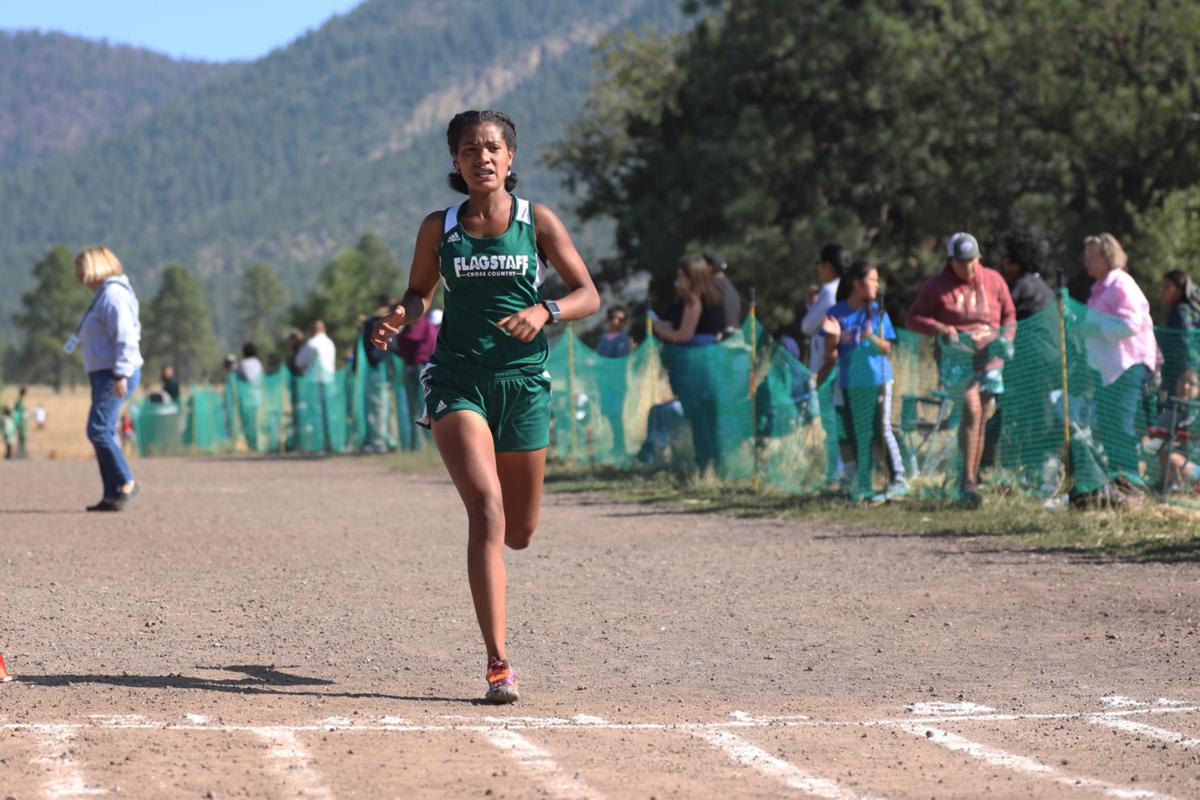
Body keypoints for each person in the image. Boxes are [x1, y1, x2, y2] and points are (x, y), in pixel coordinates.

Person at [370, 110, 599, 703]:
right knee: (487, 510)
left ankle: (500, 623)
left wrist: (545, 311)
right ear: (455, 161)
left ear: (511, 157)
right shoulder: (438, 227)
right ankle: (499, 662)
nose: (482, 158)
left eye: (492, 147)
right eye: (469, 149)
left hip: (523, 381)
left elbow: (587, 294)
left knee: (519, 532)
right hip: (457, 380)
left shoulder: (536, 221)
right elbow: (419, 293)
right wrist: (401, 315)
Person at [907, 232, 1015, 504]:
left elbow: (1009, 313)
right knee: (971, 409)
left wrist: (1006, 339)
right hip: (957, 359)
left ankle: (969, 479)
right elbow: (913, 318)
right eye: (961, 263)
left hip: (990, 358)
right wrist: (941, 328)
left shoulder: (993, 280)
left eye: (972, 261)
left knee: (982, 415)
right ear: (950, 261)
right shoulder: (936, 286)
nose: (968, 268)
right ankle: (967, 482)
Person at [817, 262, 906, 501]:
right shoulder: (837, 312)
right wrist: (833, 337)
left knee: (881, 428)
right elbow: (830, 353)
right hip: (850, 383)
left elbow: (888, 348)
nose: (876, 285)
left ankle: (898, 478)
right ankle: (860, 482)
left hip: (878, 379)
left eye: (877, 280)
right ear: (857, 284)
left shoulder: (877, 312)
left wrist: (872, 337)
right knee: (855, 432)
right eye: (872, 280)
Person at [1077, 233, 1157, 484]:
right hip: (1107, 369)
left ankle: (1130, 481)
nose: (1085, 262)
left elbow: (1131, 324)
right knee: (1109, 427)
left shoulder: (1121, 284)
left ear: (1106, 256)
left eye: (1091, 257)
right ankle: (1117, 480)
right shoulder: (1101, 287)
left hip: (1126, 366)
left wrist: (1095, 330)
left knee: (1121, 426)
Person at [73, 245, 143, 512]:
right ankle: (112, 493)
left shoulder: (113, 295)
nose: (80, 278)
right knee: (105, 431)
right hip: (103, 372)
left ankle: (125, 481)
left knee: (98, 429)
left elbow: (125, 338)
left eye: (82, 271)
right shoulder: (104, 295)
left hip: (115, 372)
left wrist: (121, 374)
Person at [985, 230, 1059, 481]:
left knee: (1023, 420)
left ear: (1016, 261)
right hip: (1046, 365)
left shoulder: (1022, 286)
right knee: (1032, 417)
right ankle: (1026, 471)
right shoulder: (1042, 287)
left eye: (1006, 257)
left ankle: (1027, 473)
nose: (1002, 263)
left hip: (1032, 367)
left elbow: (999, 319)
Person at [652, 255, 728, 473]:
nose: (679, 281)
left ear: (692, 278)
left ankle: (705, 465)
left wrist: (660, 329)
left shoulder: (694, 301)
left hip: (696, 367)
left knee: (699, 419)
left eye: (681, 277)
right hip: (714, 365)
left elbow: (684, 335)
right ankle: (718, 465)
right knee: (712, 417)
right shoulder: (715, 297)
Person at [801, 244, 849, 484]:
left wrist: (812, 306)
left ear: (827, 266)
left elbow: (807, 326)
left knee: (831, 421)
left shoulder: (830, 290)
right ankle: (841, 470)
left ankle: (836, 472)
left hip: (828, 365)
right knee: (841, 419)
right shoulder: (848, 289)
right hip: (846, 362)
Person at [393, 307, 439, 452]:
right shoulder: (404, 331)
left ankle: (431, 441)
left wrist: (419, 357)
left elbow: (430, 345)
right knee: (412, 408)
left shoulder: (426, 326)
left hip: (423, 369)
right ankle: (415, 444)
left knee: (427, 406)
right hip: (409, 369)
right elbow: (398, 346)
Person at [596, 305, 632, 459]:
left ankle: (620, 446)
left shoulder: (624, 339)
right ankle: (616, 444)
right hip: (604, 383)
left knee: (616, 414)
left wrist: (601, 364)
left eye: (621, 319)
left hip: (617, 384)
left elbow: (618, 360)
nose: (617, 322)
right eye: (613, 318)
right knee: (609, 414)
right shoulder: (603, 339)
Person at [1158, 270, 1200, 401]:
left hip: (1181, 375)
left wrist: (1189, 370)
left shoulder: (1181, 310)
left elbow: (1186, 339)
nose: (1163, 291)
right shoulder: (1188, 309)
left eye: (1167, 287)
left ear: (1180, 290)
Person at [704, 252, 742, 336]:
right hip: (736, 336)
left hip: (720, 338)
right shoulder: (730, 287)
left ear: (710, 268)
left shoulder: (711, 287)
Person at [235, 343, 264, 451]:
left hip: (245, 398)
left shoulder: (242, 364)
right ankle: (259, 444)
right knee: (257, 422)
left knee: (247, 423)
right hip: (258, 396)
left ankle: (252, 445)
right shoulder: (258, 363)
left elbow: (241, 377)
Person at [13, 386, 28, 459]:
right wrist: (16, 423)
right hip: (20, 422)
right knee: (21, 438)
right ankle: (20, 455)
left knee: (23, 438)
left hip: (23, 422)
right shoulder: (18, 402)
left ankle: (22, 454)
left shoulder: (21, 401)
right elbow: (16, 413)